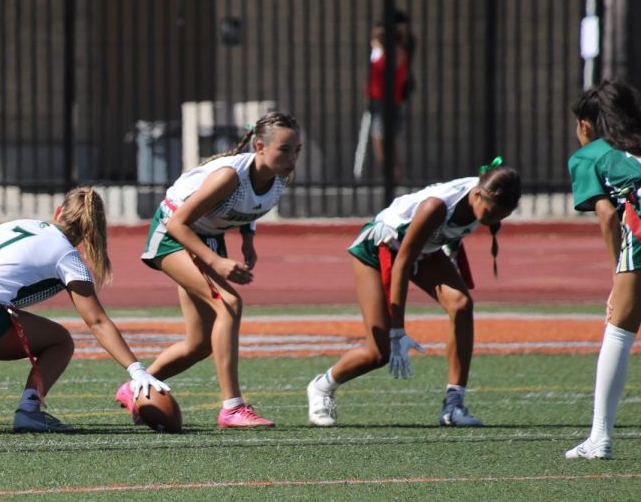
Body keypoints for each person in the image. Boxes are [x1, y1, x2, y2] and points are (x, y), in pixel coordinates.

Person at [0, 187, 168, 432]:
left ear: (58, 212)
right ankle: (29, 410)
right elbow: (97, 321)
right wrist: (137, 370)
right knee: (60, 341)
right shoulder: (67, 256)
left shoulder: (16, 224)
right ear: (92, 230)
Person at [305, 162, 521, 428]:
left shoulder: (485, 200)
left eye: (502, 215)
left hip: (422, 249)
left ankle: (453, 404)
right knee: (379, 353)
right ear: (478, 194)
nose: (493, 219)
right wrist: (398, 330)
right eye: (491, 212)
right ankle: (322, 386)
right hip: (378, 249)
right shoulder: (436, 207)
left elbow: (451, 234)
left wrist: (451, 255)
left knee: (461, 305)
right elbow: (401, 264)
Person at [133, 111, 302, 428]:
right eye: (285, 149)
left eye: (297, 149)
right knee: (229, 303)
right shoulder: (229, 176)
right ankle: (232, 408)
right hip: (172, 235)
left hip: (206, 238)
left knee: (198, 346)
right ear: (260, 147)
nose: (292, 157)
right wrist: (215, 261)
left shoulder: (278, 176)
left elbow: (249, 205)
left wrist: (248, 239)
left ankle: (135, 387)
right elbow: (178, 223)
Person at [564, 79, 641, 460]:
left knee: (618, 330)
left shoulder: (589, 153)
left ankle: (600, 438)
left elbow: (608, 214)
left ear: (585, 125)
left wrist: (617, 278)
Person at [366, 10, 416, 183]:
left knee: (386, 136)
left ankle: (394, 173)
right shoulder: (379, 47)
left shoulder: (399, 48)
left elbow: (388, 66)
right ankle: (390, 171)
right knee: (382, 136)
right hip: (377, 98)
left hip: (390, 99)